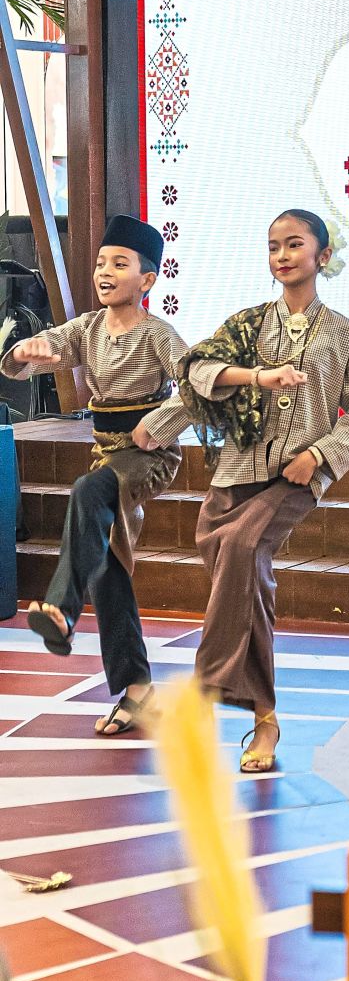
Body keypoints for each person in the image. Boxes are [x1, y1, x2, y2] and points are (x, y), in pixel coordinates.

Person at [149, 211, 349, 772]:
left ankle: (207, 682)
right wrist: (156, 427)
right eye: (274, 246)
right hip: (232, 472)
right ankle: (266, 720)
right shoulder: (247, 324)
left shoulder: (344, 333)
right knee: (247, 584)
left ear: (323, 256)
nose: (282, 255)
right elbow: (197, 374)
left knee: (242, 547)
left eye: (295, 244)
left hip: (294, 477)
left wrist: (317, 457)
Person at [1, 215, 190, 735]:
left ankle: (62, 610)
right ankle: (138, 691)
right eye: (102, 262)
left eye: (120, 264)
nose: (105, 271)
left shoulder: (159, 334)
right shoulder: (87, 328)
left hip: (149, 458)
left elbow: (198, 387)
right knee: (108, 566)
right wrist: (22, 352)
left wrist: (157, 426)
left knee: (88, 490)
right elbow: (32, 355)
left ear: (147, 279)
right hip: (107, 454)